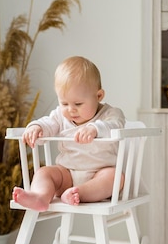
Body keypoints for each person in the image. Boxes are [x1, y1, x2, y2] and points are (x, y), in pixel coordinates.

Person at [12, 56, 125, 211]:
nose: (71, 109)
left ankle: (79, 193)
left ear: (98, 96)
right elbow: (48, 123)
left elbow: (115, 125)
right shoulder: (60, 116)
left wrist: (95, 129)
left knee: (115, 178)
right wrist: (36, 127)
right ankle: (41, 196)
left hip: (98, 175)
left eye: (78, 104)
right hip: (67, 175)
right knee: (44, 172)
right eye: (64, 103)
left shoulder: (110, 114)